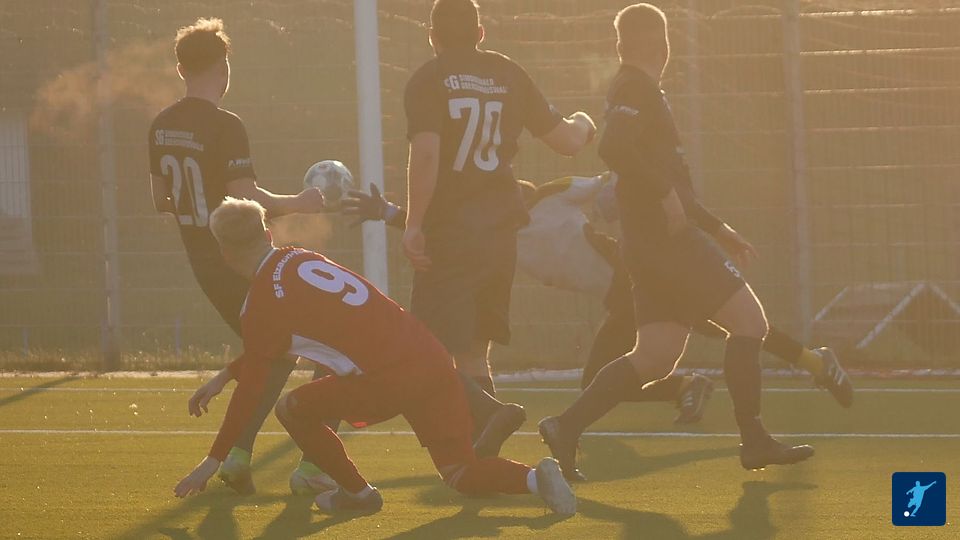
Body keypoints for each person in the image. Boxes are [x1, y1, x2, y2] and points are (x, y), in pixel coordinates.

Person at [537, 4, 815, 481]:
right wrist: (666, 195)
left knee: (654, 357)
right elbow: (613, 148)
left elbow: (667, 179)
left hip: (646, 245)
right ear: (661, 46)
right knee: (750, 323)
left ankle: (565, 426)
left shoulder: (638, 89)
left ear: (621, 45)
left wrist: (717, 227)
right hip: (667, 243)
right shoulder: (636, 87)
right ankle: (754, 439)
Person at [343, 173, 853, 430]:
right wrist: (388, 211)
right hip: (625, 298)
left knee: (734, 327)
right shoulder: (497, 235)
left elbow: (611, 180)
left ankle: (809, 363)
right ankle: (692, 384)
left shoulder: (553, 194)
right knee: (720, 332)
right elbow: (443, 232)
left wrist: (616, 192)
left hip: (640, 278)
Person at [172, 197, 577, 517]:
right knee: (459, 472)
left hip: (387, 379)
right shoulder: (302, 257)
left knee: (291, 408)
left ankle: (357, 493)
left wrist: (214, 459)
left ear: (224, 253)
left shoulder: (261, 305)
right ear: (267, 233)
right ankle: (535, 480)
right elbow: (273, 345)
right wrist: (226, 374)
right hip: (430, 357)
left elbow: (254, 386)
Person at [147, 17, 330, 495]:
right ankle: (312, 463)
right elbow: (245, 197)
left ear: (181, 68)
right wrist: (300, 203)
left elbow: (161, 200)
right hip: (243, 260)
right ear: (223, 67)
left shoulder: (161, 125)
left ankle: (240, 457)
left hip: (204, 264)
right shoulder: (226, 125)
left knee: (276, 352)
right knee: (323, 338)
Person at [402, 0, 596, 399]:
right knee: (473, 351)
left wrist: (414, 224)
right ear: (480, 33)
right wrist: (585, 122)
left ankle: (480, 423)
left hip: (452, 232)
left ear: (432, 36)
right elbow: (568, 141)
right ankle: (484, 432)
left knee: (427, 346)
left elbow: (426, 155)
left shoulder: (429, 79)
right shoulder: (508, 73)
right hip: (499, 233)